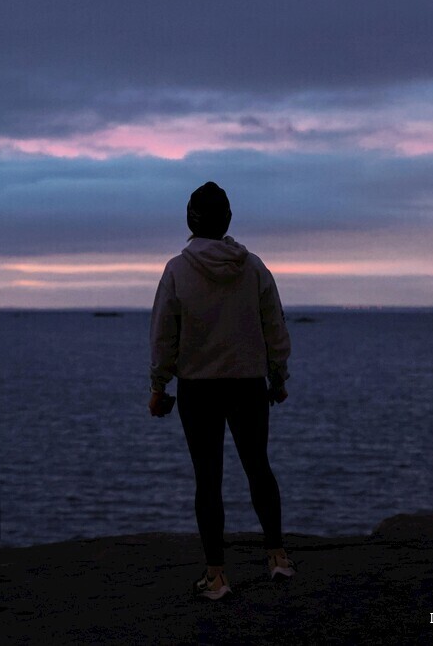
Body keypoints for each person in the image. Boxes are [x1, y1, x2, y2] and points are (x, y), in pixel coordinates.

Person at [148, 181, 294, 600]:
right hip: (248, 384)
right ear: (228, 219)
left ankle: (216, 576)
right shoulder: (254, 268)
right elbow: (274, 328)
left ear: (190, 220)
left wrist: (159, 386)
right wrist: (278, 379)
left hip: (198, 389)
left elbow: (164, 334)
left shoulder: (177, 270)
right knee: (258, 467)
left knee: (208, 478)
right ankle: (278, 557)